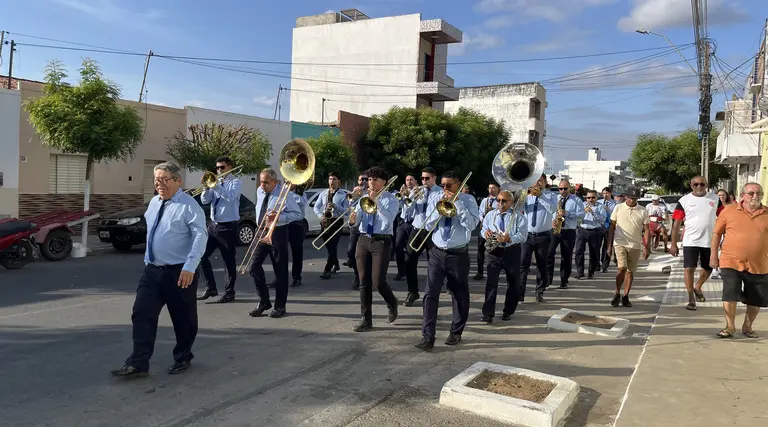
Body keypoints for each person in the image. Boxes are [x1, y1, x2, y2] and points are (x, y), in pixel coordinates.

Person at [111, 162, 207, 379]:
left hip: (179, 273)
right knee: (142, 314)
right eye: (156, 180)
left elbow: (200, 236)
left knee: (183, 319)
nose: (159, 184)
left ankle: (183, 356)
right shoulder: (154, 202)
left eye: (165, 180)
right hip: (152, 271)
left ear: (178, 181)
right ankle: (138, 363)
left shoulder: (189, 206)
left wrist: (190, 267)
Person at [415, 171, 480, 350]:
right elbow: (427, 225)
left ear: (458, 185)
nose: (445, 189)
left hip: (458, 254)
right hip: (437, 251)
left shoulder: (468, 200)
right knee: (430, 293)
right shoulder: (436, 197)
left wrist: (457, 204)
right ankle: (428, 336)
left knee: (458, 294)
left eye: (449, 185)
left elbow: (473, 225)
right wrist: (439, 210)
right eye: (443, 185)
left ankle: (456, 332)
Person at [711, 183, 768, 338]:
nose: (755, 196)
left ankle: (747, 327)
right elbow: (716, 234)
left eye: (758, 193)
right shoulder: (729, 211)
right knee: (730, 294)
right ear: (742, 195)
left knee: (756, 298)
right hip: (731, 261)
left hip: (759, 264)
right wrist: (713, 256)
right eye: (751, 193)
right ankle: (730, 327)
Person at [348, 167, 400, 332]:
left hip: (381, 241)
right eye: (369, 180)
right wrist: (352, 220)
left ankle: (392, 302)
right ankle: (366, 319)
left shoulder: (391, 199)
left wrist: (376, 202)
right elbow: (356, 222)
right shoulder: (363, 198)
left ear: (384, 182)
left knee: (378, 281)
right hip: (363, 239)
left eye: (375, 179)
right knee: (364, 280)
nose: (371, 183)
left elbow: (389, 220)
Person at [247, 169, 302, 318]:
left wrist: (279, 217)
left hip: (278, 233)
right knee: (253, 267)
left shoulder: (285, 194)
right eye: (261, 181)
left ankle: (280, 306)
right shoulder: (259, 191)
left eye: (266, 182)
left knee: (280, 272)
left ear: (275, 182)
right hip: (261, 231)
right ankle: (264, 301)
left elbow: (298, 214)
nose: (262, 185)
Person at [670, 176, 721, 311]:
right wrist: (673, 243)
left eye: (702, 184)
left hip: (709, 241)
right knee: (689, 268)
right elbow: (676, 223)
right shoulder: (684, 201)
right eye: (696, 184)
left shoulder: (715, 199)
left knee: (708, 268)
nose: (699, 187)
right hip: (690, 240)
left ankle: (697, 286)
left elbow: (723, 218)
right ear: (691, 185)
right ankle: (691, 298)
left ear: (706, 185)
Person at [197, 156, 242, 303]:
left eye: (222, 167)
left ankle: (230, 292)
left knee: (228, 261)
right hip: (213, 225)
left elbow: (230, 197)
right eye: (217, 168)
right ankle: (211, 287)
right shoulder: (215, 182)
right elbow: (205, 201)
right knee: (200, 255)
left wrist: (215, 185)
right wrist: (206, 188)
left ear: (229, 167)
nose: (218, 170)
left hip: (228, 226)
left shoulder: (235, 182)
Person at [480, 190, 527, 323]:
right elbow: (483, 229)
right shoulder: (490, 215)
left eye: (504, 201)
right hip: (494, 252)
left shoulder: (518, 217)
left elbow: (523, 236)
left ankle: (508, 310)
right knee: (491, 283)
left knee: (513, 283)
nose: (500, 203)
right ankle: (488, 313)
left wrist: (509, 238)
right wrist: (486, 234)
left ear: (511, 202)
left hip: (511, 251)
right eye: (498, 200)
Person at [402, 167, 441, 307]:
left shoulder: (440, 193)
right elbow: (407, 212)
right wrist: (411, 198)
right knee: (409, 259)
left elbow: (438, 211)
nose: (424, 181)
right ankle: (412, 291)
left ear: (434, 178)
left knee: (434, 264)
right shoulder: (416, 191)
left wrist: (424, 200)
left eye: (427, 178)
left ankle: (431, 293)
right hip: (417, 229)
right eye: (422, 178)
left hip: (432, 231)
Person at [607, 187, 650, 307]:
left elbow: (646, 230)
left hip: (635, 244)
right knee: (622, 268)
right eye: (631, 198)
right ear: (626, 197)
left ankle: (625, 295)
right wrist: (609, 245)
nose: (632, 201)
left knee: (630, 272)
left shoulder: (642, 210)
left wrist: (647, 246)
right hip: (620, 242)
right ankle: (617, 292)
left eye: (635, 198)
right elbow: (612, 227)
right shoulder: (618, 207)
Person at [520, 174, 557, 303]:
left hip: (543, 235)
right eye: (535, 181)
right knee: (523, 264)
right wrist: (523, 194)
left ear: (545, 182)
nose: (537, 184)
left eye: (540, 181)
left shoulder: (551, 196)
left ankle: (539, 291)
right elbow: (518, 209)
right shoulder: (527, 195)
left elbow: (553, 210)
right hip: (527, 235)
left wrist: (540, 196)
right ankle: (520, 293)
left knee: (542, 264)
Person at [547, 179, 585, 289]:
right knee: (549, 254)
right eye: (560, 188)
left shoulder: (576, 200)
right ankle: (548, 279)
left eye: (565, 188)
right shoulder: (555, 199)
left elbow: (581, 215)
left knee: (566, 257)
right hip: (555, 230)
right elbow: (549, 212)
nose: (562, 191)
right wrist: (552, 221)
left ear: (570, 188)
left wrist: (567, 213)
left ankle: (564, 280)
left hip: (568, 231)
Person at [314, 172, 349, 280]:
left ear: (339, 181)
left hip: (336, 221)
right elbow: (316, 207)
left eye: (334, 179)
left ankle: (327, 270)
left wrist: (336, 206)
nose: (331, 181)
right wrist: (321, 216)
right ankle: (336, 263)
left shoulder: (343, 195)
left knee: (333, 245)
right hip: (325, 221)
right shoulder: (323, 193)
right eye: (330, 179)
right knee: (329, 246)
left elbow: (347, 212)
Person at [574, 190, 606, 279]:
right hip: (582, 230)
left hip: (594, 231)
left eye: (593, 197)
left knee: (594, 252)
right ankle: (580, 272)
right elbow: (578, 219)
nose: (590, 199)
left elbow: (602, 219)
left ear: (596, 198)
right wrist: (583, 213)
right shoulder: (582, 205)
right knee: (579, 251)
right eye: (588, 198)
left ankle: (591, 272)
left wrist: (593, 212)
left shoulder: (600, 207)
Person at [345, 173, 368, 290]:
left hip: (366, 227)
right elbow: (350, 208)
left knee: (364, 255)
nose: (363, 181)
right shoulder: (354, 192)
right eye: (361, 179)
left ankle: (363, 278)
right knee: (351, 252)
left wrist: (365, 195)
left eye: (365, 179)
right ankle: (356, 274)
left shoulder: (371, 192)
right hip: (355, 226)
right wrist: (354, 197)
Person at [393, 175, 417, 281]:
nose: (409, 182)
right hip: (402, 222)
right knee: (397, 246)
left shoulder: (418, 192)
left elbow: (412, 205)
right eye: (407, 180)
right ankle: (401, 271)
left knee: (410, 249)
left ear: (415, 181)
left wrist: (408, 196)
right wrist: (401, 195)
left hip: (413, 223)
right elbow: (397, 206)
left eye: (411, 180)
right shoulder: (403, 192)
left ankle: (410, 270)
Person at [475, 183, 500, 281]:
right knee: (480, 250)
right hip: (484, 228)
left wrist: (493, 210)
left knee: (494, 251)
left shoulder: (500, 200)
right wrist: (483, 219)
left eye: (493, 188)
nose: (491, 190)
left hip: (494, 229)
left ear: (498, 189)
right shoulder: (485, 200)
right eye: (489, 188)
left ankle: (494, 271)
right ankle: (480, 272)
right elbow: (480, 212)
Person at [288, 183, 308, 287]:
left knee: (297, 253)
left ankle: (296, 277)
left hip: (297, 224)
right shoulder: (281, 191)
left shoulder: (301, 193)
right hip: (284, 224)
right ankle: (278, 278)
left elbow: (303, 202)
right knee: (279, 253)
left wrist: (288, 194)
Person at [597, 187, 617, 272]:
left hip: (609, 226)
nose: (605, 195)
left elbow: (615, 215)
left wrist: (607, 209)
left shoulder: (615, 204)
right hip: (599, 225)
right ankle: (596, 264)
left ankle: (605, 265)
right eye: (604, 193)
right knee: (596, 245)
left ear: (610, 193)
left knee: (607, 246)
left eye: (607, 193)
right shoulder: (599, 202)